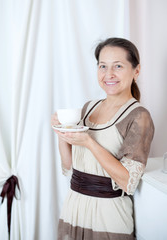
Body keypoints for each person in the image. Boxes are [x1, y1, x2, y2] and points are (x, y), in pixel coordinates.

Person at [51, 37, 154, 240]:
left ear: (136, 70)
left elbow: (128, 182)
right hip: (74, 207)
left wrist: (89, 142)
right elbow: (70, 166)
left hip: (108, 215)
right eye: (102, 66)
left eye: (118, 66)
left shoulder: (139, 116)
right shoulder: (89, 107)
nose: (109, 74)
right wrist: (61, 133)